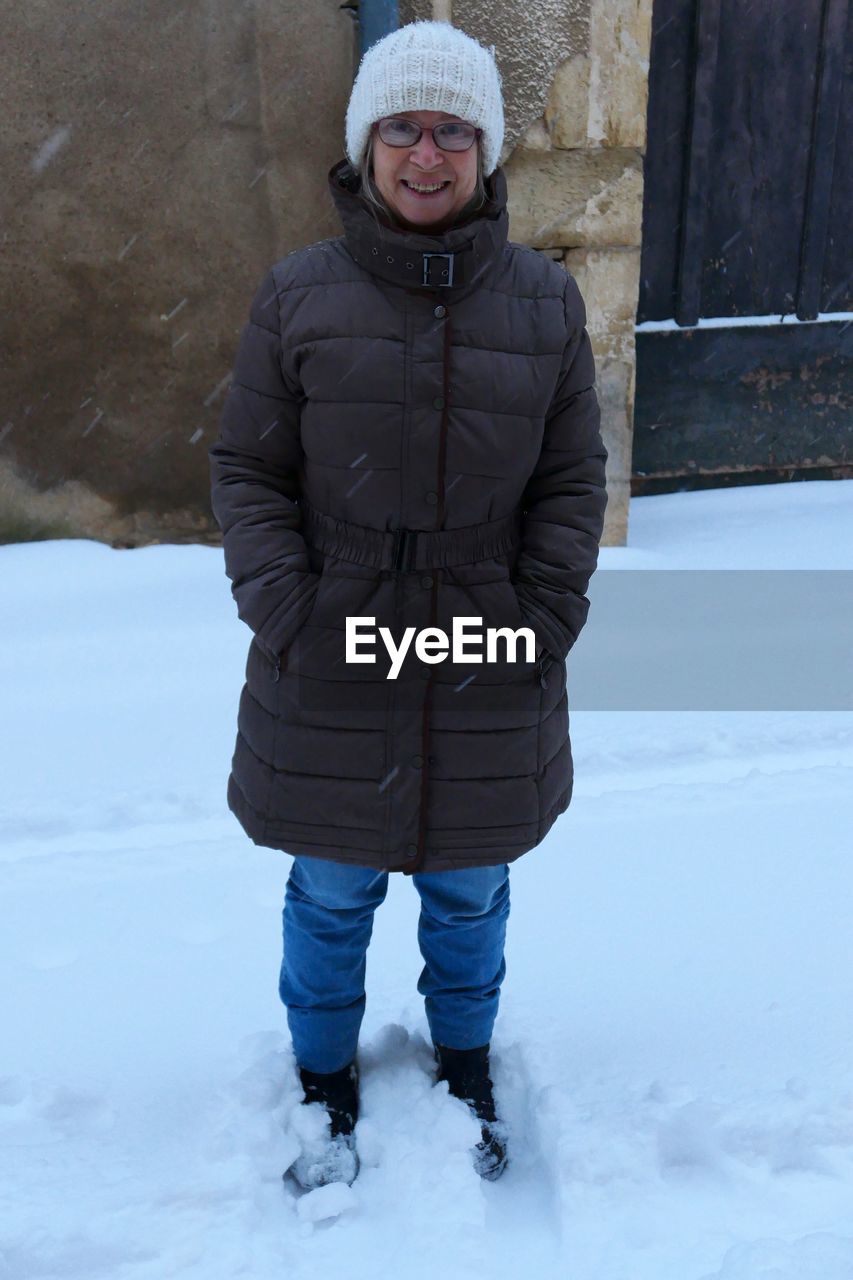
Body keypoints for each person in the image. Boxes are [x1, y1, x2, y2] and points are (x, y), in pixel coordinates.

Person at [208, 19, 608, 1190]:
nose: (424, 154)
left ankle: (466, 1056)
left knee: (469, 882)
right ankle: (322, 1071)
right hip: (330, 636)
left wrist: (539, 615)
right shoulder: (298, 296)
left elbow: (573, 478)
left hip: (487, 634)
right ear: (364, 144)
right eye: (401, 128)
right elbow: (248, 469)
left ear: (483, 152)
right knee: (330, 888)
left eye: (450, 131)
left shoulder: (543, 302)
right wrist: (285, 604)